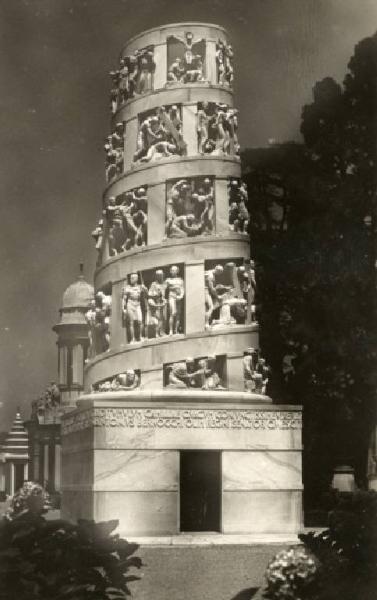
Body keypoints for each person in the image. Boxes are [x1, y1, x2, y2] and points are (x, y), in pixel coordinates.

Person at [122, 273, 147, 343]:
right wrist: (123, 308)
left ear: (136, 279)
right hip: (130, 304)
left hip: (138, 304)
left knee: (140, 321)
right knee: (131, 322)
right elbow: (124, 299)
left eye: (132, 278)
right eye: (130, 278)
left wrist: (145, 289)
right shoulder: (127, 288)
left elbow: (147, 294)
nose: (131, 280)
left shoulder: (140, 287)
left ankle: (140, 337)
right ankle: (132, 339)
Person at [165, 265, 184, 335]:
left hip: (178, 298)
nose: (174, 271)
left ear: (177, 271)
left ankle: (176, 330)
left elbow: (182, 289)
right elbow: (163, 289)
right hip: (171, 297)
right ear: (170, 271)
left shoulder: (180, 280)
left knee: (178, 315)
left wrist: (181, 296)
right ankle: (170, 330)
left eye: (175, 270)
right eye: (172, 270)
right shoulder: (168, 280)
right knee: (173, 313)